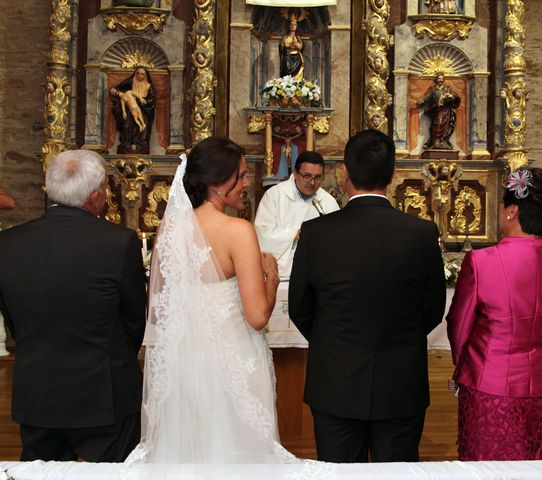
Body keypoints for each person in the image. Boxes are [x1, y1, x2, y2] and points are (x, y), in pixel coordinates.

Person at [124, 137, 329, 478]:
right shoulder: (238, 230)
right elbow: (258, 316)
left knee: (192, 449)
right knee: (238, 455)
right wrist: (272, 276)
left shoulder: (169, 228)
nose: (248, 183)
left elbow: (158, 310)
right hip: (233, 364)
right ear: (218, 182)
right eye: (242, 176)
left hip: (184, 362)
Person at [288, 129, 446, 463]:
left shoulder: (317, 233)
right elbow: (432, 309)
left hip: (336, 382)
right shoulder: (421, 233)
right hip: (400, 382)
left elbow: (300, 306)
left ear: (345, 173)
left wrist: (333, 341)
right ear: (392, 175)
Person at [0, 149, 147, 462]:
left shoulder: (7, 244)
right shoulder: (118, 242)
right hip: (104, 394)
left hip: (37, 392)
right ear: (95, 196)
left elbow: (12, 321)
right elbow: (135, 320)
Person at [446, 166, 542, 461]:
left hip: (489, 384)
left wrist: (464, 367)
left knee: (488, 464)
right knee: (540, 462)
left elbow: (459, 325)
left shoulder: (481, 261)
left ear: (511, 211)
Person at [254, 151, 339, 277]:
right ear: (295, 173)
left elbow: (336, 240)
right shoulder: (274, 196)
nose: (312, 182)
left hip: (317, 274)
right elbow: (262, 234)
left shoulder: (328, 202)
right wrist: (295, 234)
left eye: (318, 177)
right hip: (281, 274)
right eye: (307, 176)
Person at [110, 66, 156, 154]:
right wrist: (114, 91)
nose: (139, 75)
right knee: (127, 126)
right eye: (138, 73)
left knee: (142, 127)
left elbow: (152, 100)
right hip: (129, 111)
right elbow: (117, 90)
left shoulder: (149, 87)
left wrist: (144, 101)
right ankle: (126, 143)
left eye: (142, 74)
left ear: (145, 76)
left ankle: (138, 144)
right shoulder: (130, 82)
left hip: (143, 111)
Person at [416, 72, 460, 150]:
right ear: (436, 80)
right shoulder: (433, 90)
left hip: (446, 111)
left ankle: (442, 142)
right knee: (437, 125)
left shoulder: (447, 89)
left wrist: (451, 96)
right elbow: (426, 99)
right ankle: (435, 142)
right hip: (437, 110)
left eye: (442, 79)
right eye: (439, 78)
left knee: (446, 127)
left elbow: (456, 96)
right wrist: (419, 102)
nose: (441, 80)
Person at [279, 14, 304, 80]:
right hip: (287, 57)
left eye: (295, 25)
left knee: (297, 76)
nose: (293, 26)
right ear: (289, 26)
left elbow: (301, 47)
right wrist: (288, 46)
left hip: (297, 58)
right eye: (291, 25)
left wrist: (296, 44)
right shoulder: (285, 37)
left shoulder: (298, 37)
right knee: (287, 73)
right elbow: (281, 47)